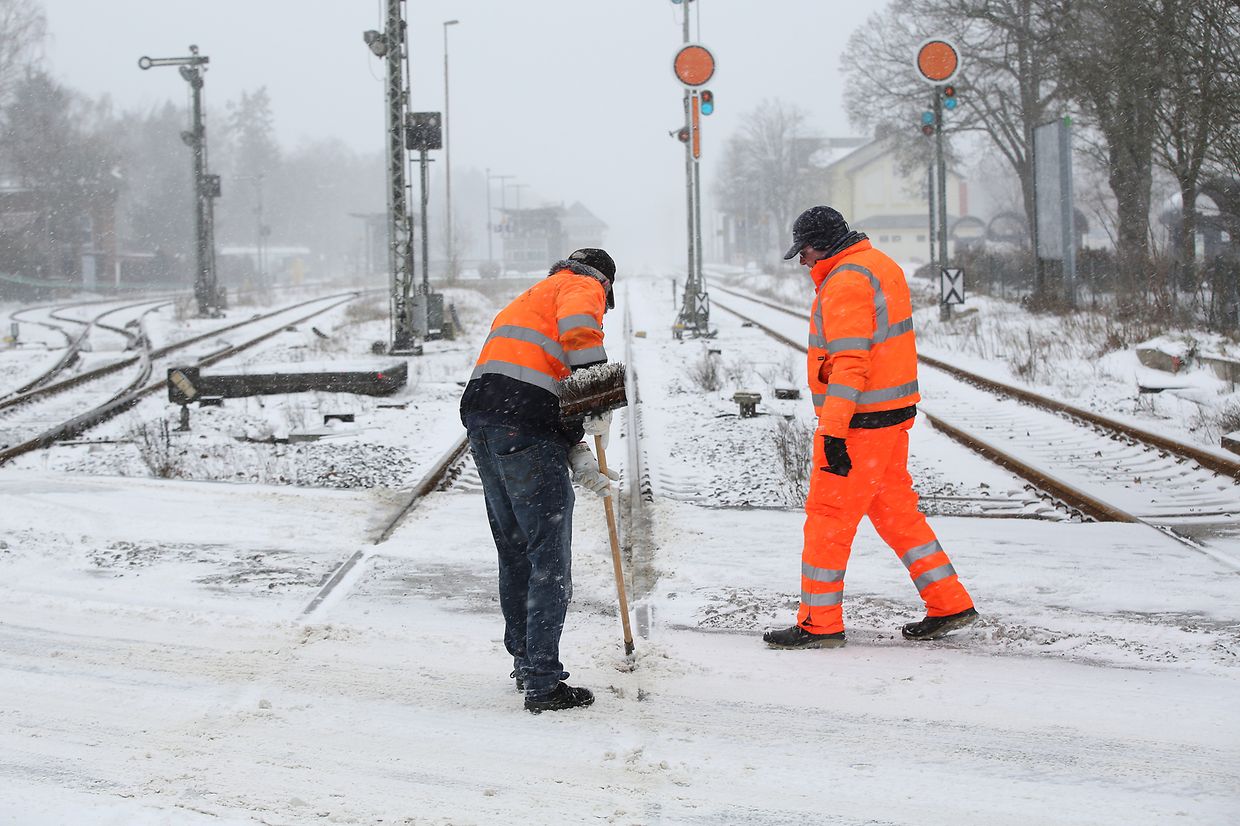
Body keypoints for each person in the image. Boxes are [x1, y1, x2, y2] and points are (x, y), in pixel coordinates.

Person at [763, 207, 978, 650]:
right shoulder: (879, 265)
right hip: (891, 419)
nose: (802, 261)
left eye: (803, 251)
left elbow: (849, 364)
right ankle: (948, 601)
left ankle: (819, 624)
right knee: (897, 514)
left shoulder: (845, 281)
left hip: (858, 425)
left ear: (819, 244)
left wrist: (836, 431)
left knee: (827, 521)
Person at [460, 248, 619, 712]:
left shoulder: (528, 298)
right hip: (523, 427)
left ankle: (525, 661)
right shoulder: (584, 286)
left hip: (486, 422)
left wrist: (579, 453)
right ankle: (544, 684)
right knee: (548, 557)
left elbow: (533, 385)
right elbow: (581, 335)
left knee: (515, 549)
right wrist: (598, 394)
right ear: (605, 284)